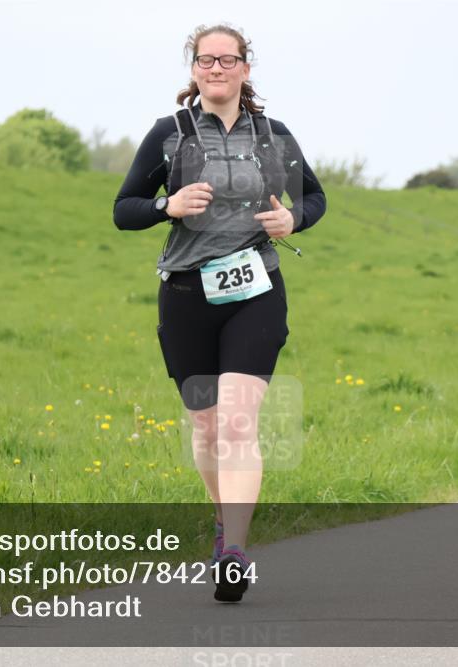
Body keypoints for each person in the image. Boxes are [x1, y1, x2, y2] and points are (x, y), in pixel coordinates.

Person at [113, 23, 326, 602]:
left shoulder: (272, 137)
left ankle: (234, 550)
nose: (216, 69)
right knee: (206, 426)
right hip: (186, 296)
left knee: (236, 421)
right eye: (206, 60)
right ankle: (220, 521)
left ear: (245, 69)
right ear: (193, 70)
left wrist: (293, 220)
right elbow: (123, 210)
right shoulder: (169, 134)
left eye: (227, 60)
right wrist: (167, 205)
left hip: (256, 288)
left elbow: (314, 197)